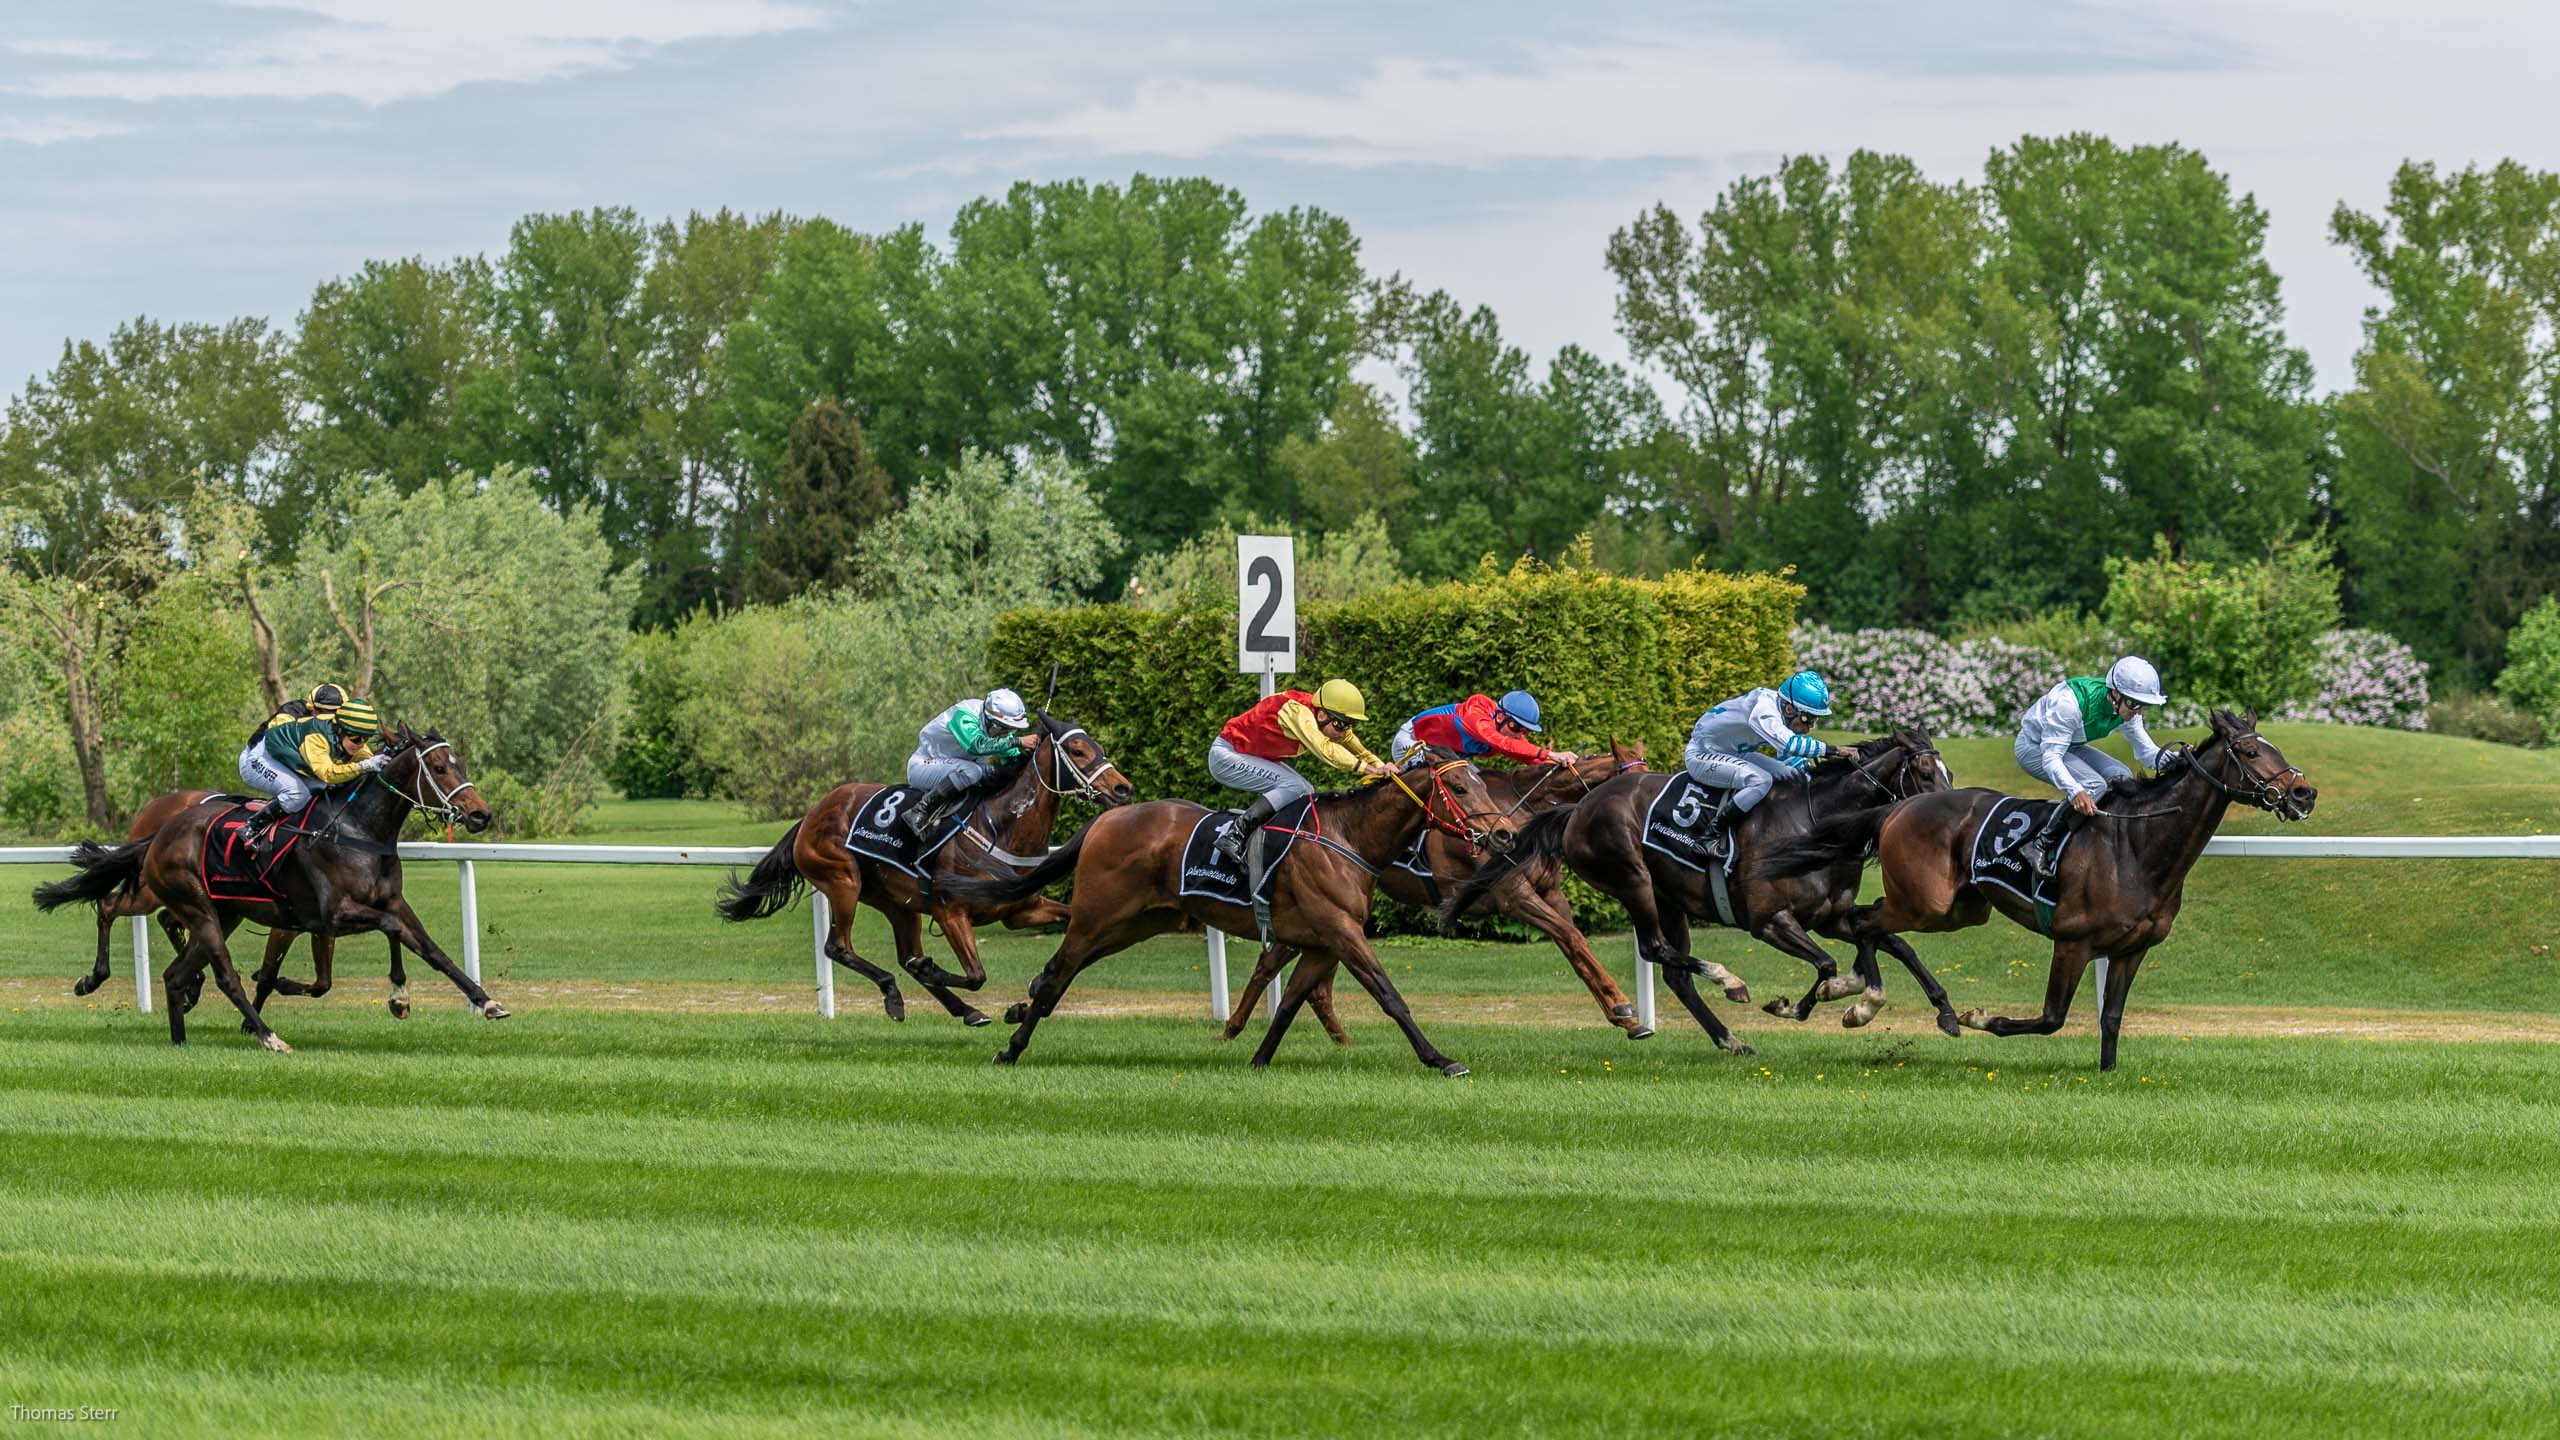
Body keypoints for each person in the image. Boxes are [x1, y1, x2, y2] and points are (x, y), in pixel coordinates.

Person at [1208, 678, 1393, 861]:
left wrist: (1383, 767)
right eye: (1341, 725)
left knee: (1305, 790)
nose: (1344, 732)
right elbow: (1325, 750)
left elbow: (1359, 750)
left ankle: (1265, 838)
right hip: (1226, 756)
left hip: (1249, 755)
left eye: (1350, 725)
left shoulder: (1327, 719)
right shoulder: (1298, 713)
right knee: (1295, 786)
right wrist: (1368, 770)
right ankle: (1235, 834)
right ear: (1322, 715)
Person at [2013, 656, 2167, 875]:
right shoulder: (2069, 704)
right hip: (2034, 748)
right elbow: (2051, 758)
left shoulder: (2126, 710)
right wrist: (2075, 791)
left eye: (2144, 705)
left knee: (2122, 776)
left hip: (2069, 746)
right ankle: (2040, 844)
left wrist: (2182, 757)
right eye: (2134, 703)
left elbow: (2148, 753)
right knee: (2094, 785)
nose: (2138, 711)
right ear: (2115, 694)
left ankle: (2103, 834)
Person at [1683, 669, 1841, 856]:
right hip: (1701, 755)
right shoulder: (1763, 709)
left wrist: (1813, 780)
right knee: (1761, 780)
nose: (1808, 728)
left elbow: (1790, 758)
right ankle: (1710, 836)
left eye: (1814, 720)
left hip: (1736, 753)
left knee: (1797, 777)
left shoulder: (1782, 709)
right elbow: (1790, 744)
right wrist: (1834, 751)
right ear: (1790, 709)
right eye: (1807, 719)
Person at [237, 692, 386, 856]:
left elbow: (364, 756)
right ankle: (251, 827)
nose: (361, 744)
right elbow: (328, 774)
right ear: (340, 730)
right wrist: (362, 767)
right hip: (262, 758)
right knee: (297, 795)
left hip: (289, 760)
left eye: (366, 739)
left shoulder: (346, 732)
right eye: (357, 739)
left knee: (327, 789)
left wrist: (373, 762)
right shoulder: (317, 738)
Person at [904, 687, 1031, 837]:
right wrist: (1017, 741)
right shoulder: (965, 714)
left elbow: (1012, 759)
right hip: (923, 766)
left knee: (994, 773)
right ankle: (919, 811)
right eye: (1002, 728)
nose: (1005, 734)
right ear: (989, 718)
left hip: (956, 769)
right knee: (973, 771)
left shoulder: (995, 726)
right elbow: (976, 746)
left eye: (1011, 729)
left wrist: (1029, 757)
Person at [1390, 690, 1579, 769]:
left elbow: (1526, 755)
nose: (1519, 735)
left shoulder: (1505, 731)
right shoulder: (1476, 716)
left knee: (1477, 788)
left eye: (1525, 731)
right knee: (1443, 782)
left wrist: (1556, 764)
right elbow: (1500, 742)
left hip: (1445, 753)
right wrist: (1551, 754)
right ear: (1500, 716)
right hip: (1411, 742)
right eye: (1515, 727)